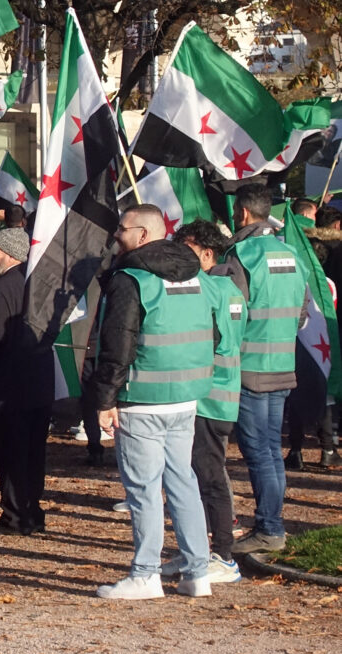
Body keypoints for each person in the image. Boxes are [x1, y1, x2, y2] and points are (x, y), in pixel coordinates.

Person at [91, 204, 215, 600]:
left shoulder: (130, 279)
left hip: (142, 398)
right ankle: (197, 571)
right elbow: (211, 331)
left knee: (143, 490)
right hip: (184, 396)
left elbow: (118, 344)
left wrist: (105, 399)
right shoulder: (196, 274)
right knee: (182, 482)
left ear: (142, 235)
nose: (116, 236)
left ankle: (145, 574)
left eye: (122, 229)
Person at [222, 184, 306, 555]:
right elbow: (302, 313)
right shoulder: (291, 253)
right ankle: (272, 524)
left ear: (242, 213)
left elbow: (230, 312)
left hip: (249, 368)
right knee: (271, 450)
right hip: (282, 365)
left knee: (260, 453)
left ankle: (270, 528)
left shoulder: (241, 254)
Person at [174, 219, 246, 582]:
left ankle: (222, 555)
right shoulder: (231, 288)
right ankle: (198, 551)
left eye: (186, 247)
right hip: (223, 394)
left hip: (204, 396)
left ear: (207, 253)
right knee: (203, 475)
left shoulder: (202, 288)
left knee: (208, 477)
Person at [0, 227, 50, 534]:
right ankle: (32, 510)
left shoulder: (3, 288)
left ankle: (14, 516)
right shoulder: (38, 284)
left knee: (12, 453)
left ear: (11, 255)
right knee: (34, 452)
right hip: (39, 382)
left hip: (11, 386)